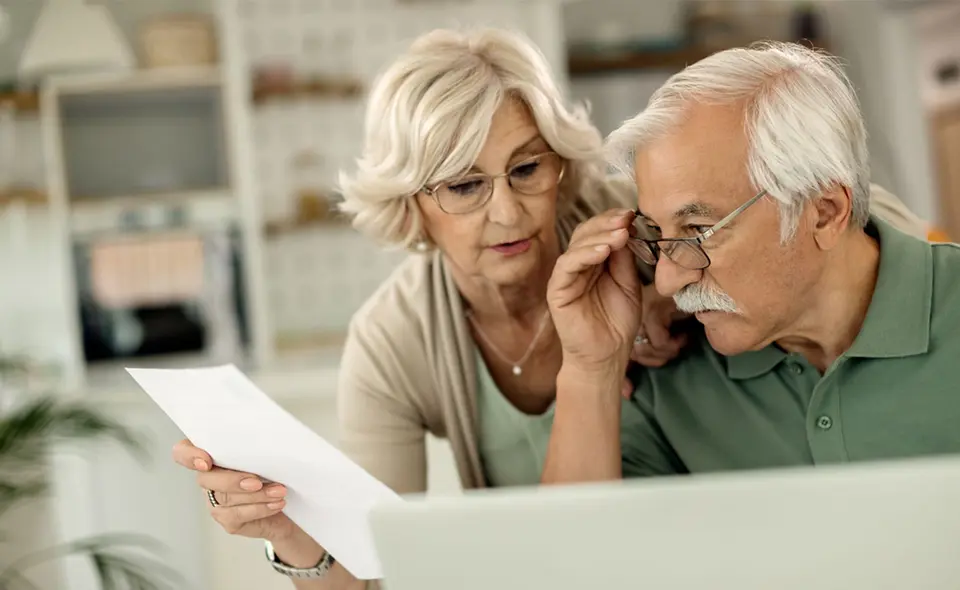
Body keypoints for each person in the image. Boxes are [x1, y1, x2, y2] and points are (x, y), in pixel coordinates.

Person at [170, 28, 684, 589]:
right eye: (464, 185)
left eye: (527, 169)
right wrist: (289, 535)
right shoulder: (393, 337)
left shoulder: (640, 235)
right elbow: (371, 568)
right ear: (410, 203)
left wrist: (679, 294)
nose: (509, 213)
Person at [542, 40, 960, 486]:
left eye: (698, 230)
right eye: (656, 234)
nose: (664, 280)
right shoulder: (666, 374)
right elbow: (571, 559)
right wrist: (590, 369)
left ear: (824, 212)